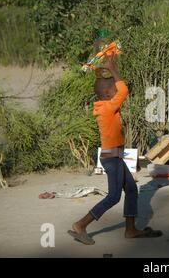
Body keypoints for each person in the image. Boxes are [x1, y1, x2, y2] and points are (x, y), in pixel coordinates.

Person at [68, 55, 162, 245]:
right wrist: (112, 70)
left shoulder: (105, 105)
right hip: (112, 157)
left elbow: (115, 88)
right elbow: (124, 90)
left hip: (114, 156)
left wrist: (105, 68)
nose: (116, 90)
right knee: (113, 197)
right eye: (113, 89)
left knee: (132, 190)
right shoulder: (107, 108)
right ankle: (80, 225)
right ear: (107, 94)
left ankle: (130, 230)